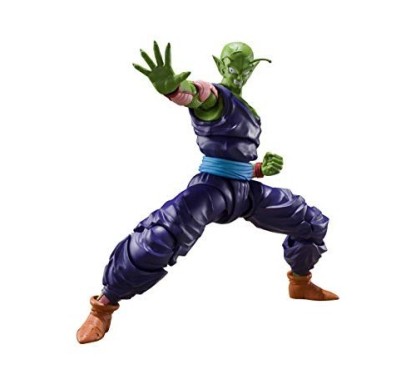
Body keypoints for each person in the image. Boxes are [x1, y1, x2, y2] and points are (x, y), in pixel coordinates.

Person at [77, 41, 338, 344]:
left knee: (310, 221)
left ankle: (300, 282)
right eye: (232, 64)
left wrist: (260, 169)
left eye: (245, 65)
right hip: (212, 189)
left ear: (253, 69)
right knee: (159, 237)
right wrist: (173, 89)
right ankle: (103, 307)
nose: (239, 71)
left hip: (244, 191)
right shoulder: (216, 96)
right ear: (220, 64)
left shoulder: (247, 109)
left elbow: (234, 158)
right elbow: (197, 95)